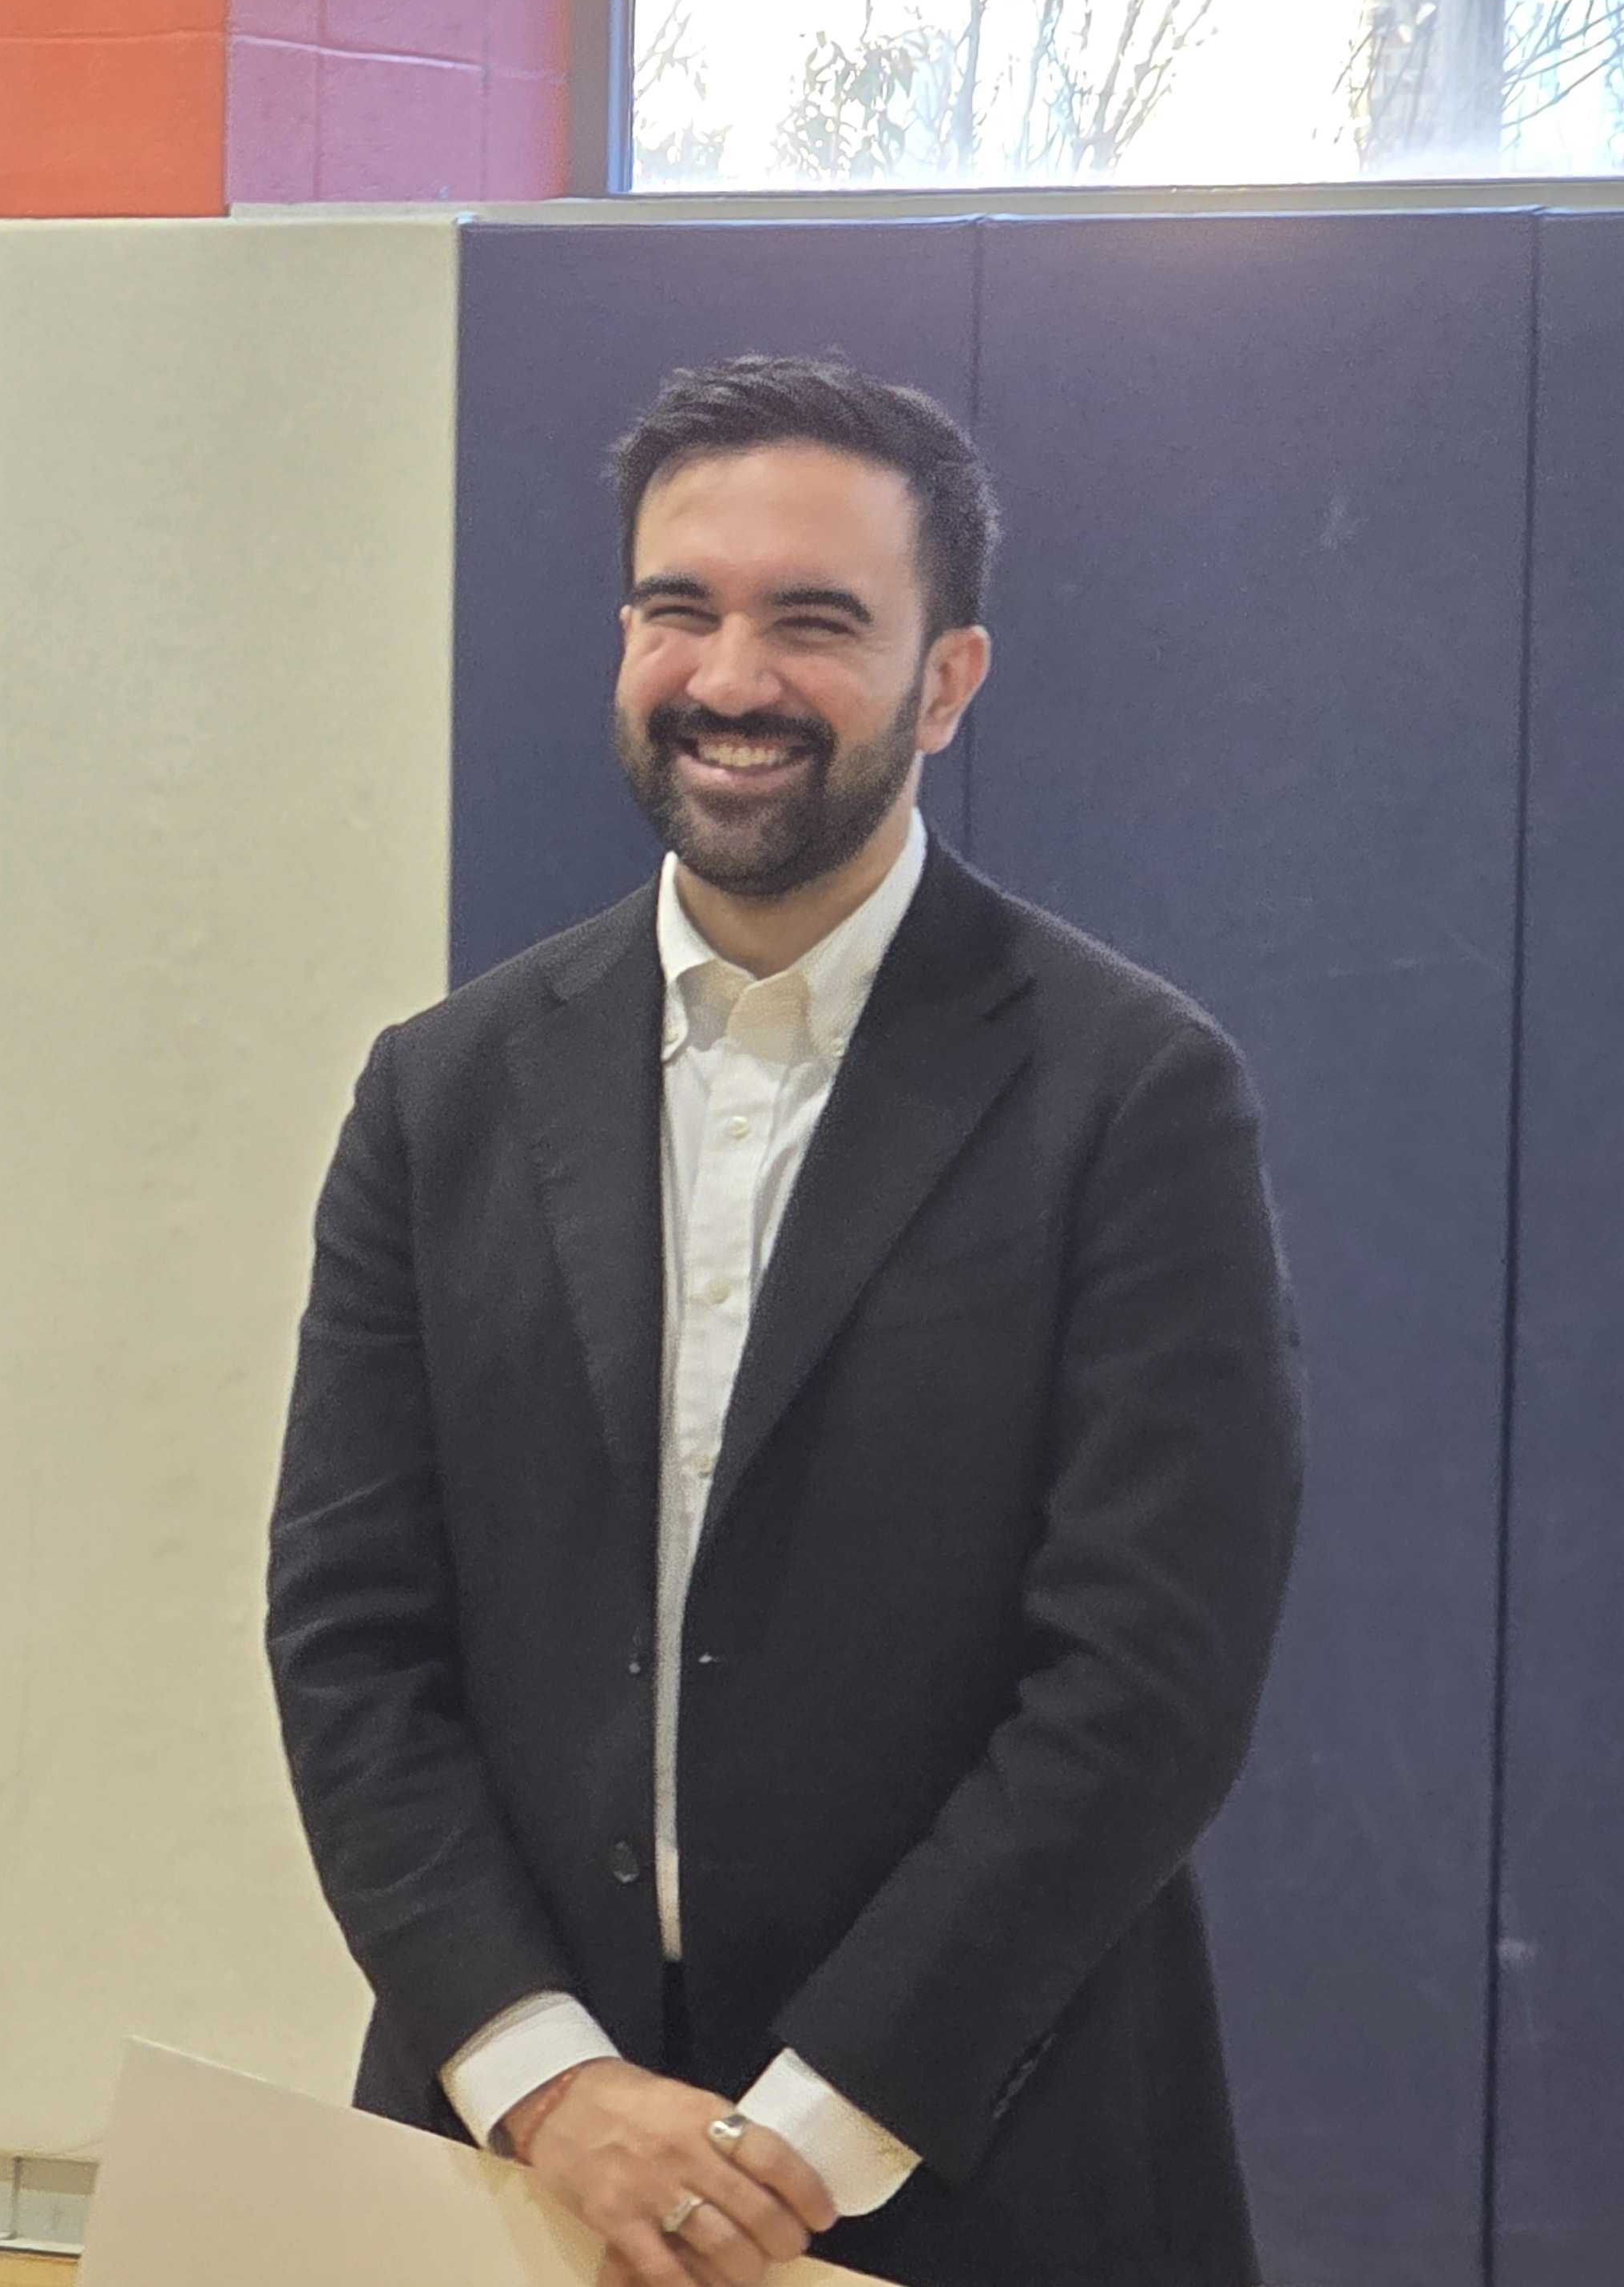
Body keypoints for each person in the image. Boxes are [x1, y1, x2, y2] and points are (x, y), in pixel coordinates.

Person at [268, 356, 1303, 2287]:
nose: (728, 678)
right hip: (510, 2160)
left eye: (812, 623)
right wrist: (545, 2080)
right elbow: (350, 1644)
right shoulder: (444, 1091)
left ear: (946, 678)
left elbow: (1141, 1686)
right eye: (680, 609)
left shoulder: (1130, 1095)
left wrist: (796, 2142)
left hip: (973, 2157)